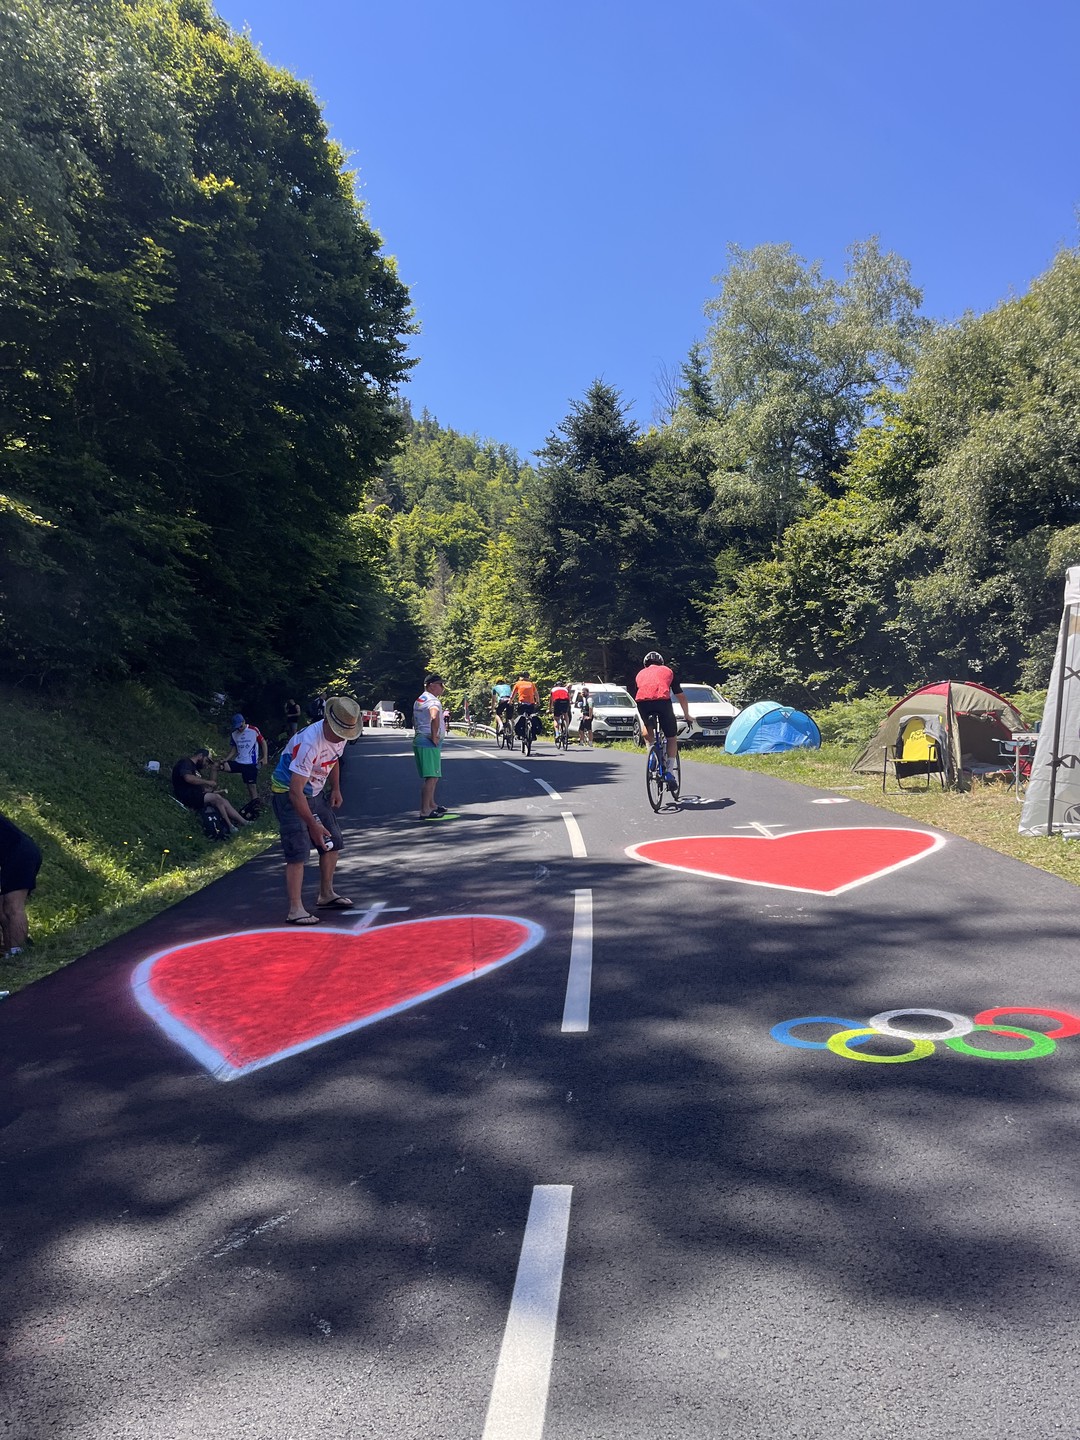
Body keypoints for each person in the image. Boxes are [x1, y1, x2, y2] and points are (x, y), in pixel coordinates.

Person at [269, 696, 362, 923]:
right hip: (288, 793)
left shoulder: (341, 735)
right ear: (329, 722)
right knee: (298, 850)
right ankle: (295, 909)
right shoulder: (309, 743)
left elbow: (335, 759)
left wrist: (336, 788)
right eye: (340, 731)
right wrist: (312, 824)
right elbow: (295, 792)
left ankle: (326, 894)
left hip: (316, 791)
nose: (342, 738)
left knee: (333, 842)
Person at [634, 651, 692, 787]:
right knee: (671, 737)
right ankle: (670, 772)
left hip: (642, 703)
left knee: (647, 727)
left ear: (645, 664)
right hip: (662, 702)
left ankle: (652, 754)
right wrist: (686, 715)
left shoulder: (640, 674)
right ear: (661, 663)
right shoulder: (668, 671)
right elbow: (681, 696)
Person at [171, 748, 250, 833]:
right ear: (200, 756)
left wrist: (214, 790)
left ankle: (244, 822)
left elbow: (201, 788)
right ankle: (230, 826)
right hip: (187, 795)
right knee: (216, 798)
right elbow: (188, 778)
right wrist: (207, 782)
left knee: (222, 799)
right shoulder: (185, 763)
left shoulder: (196, 769)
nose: (206, 764)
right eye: (206, 761)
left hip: (197, 794)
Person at [0, 813, 42, 961]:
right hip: (8, 859)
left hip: (21, 854)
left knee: (13, 906)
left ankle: (18, 953)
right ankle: (8, 951)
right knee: (2, 911)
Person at [413, 674, 452, 821]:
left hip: (421, 739)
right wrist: (435, 736)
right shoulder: (432, 700)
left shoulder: (420, 699)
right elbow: (434, 716)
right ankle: (425, 810)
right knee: (432, 776)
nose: (442, 687)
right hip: (428, 742)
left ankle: (432, 804)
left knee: (433, 776)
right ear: (431, 685)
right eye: (440, 684)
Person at [219, 713, 268, 802]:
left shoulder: (253, 730)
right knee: (217, 765)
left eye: (240, 726)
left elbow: (263, 742)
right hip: (238, 762)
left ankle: (255, 806)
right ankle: (210, 789)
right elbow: (234, 749)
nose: (239, 729)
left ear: (244, 722)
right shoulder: (234, 734)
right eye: (237, 727)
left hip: (250, 763)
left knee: (251, 787)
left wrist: (265, 757)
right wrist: (226, 759)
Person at [510, 672, 539, 742]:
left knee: (521, 717)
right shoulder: (532, 684)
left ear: (521, 677)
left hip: (522, 704)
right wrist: (537, 702)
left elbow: (513, 694)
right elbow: (536, 695)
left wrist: (510, 701)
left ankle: (519, 734)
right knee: (531, 717)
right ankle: (533, 733)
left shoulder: (518, 684)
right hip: (531, 704)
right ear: (528, 677)